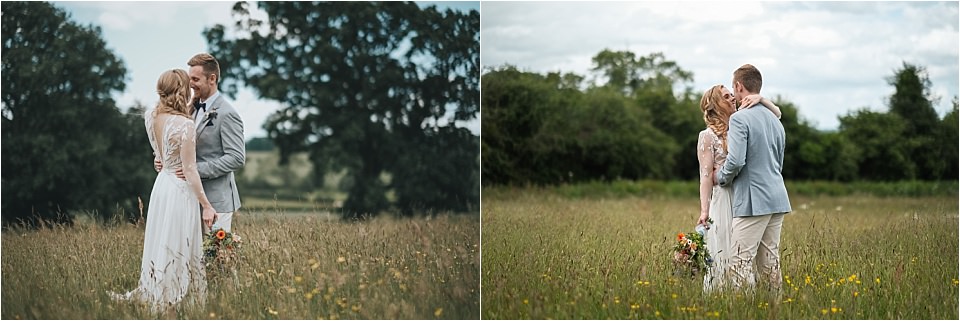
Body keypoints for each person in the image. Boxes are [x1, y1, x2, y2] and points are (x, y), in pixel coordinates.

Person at [110, 69, 216, 312]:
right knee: (179, 244)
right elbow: (190, 171)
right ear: (181, 90)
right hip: (179, 191)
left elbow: (160, 155)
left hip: (161, 186)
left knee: (163, 242)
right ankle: (174, 302)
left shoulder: (151, 116)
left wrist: (159, 161)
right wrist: (207, 205)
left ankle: (160, 292)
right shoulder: (185, 125)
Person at [712, 64, 792, 293]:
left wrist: (722, 177)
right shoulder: (775, 119)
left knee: (739, 262)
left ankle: (743, 313)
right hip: (777, 197)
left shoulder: (739, 119)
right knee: (769, 263)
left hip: (753, 201)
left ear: (738, 86)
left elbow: (736, 161)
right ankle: (774, 309)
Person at [696, 84, 781, 292]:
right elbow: (706, 176)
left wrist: (761, 99)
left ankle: (749, 297)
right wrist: (704, 210)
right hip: (724, 197)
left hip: (746, 194)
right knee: (727, 248)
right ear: (715, 104)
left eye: (732, 94)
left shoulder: (741, 122)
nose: (733, 98)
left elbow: (777, 114)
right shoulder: (707, 136)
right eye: (726, 97)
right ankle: (727, 298)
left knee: (748, 252)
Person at [157, 53, 245, 233]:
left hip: (216, 201)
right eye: (190, 79)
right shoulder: (189, 109)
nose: (190, 84)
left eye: (196, 79)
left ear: (212, 79)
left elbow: (236, 158)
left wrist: (196, 170)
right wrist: (164, 160)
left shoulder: (227, 114)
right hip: (188, 198)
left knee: (217, 258)